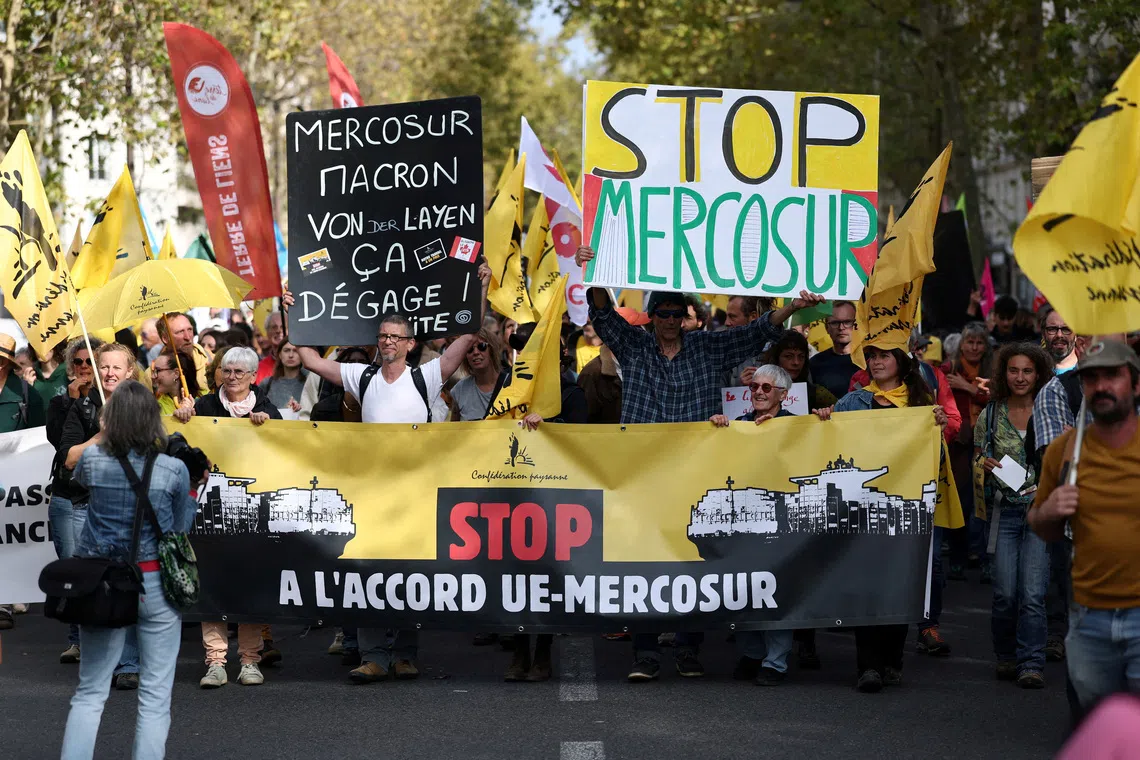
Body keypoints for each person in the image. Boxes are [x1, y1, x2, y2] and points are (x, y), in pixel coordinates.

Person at [575, 244, 823, 682]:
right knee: (645, 563)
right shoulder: (633, 345)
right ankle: (646, 653)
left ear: (687, 317)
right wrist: (595, 270)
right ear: (652, 316)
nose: (670, 320)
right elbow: (604, 315)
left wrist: (794, 308)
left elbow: (756, 332)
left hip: (696, 473)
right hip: (643, 472)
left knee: (694, 560)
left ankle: (689, 649)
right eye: (663, 312)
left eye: (677, 313)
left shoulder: (708, 348)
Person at [285, 262, 492, 684]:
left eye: (395, 337)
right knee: (369, 572)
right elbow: (307, 357)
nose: (387, 343)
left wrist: (480, 289)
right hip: (372, 493)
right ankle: (375, 655)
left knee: (408, 573)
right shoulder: (361, 376)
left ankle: (404, 653)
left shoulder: (427, 376)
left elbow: (468, 336)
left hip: (413, 493)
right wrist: (291, 309)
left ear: (411, 343)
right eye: (382, 336)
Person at [59, 380, 198, 760]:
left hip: (103, 580)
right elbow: (180, 529)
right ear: (154, 420)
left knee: (89, 691)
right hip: (154, 581)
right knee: (155, 694)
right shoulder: (173, 469)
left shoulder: (93, 460)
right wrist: (193, 488)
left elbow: (81, 480)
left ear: (112, 419)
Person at [816, 345, 949, 692]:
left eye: (883, 356)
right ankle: (868, 667)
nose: (875, 362)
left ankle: (893, 660)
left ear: (901, 363)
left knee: (899, 584)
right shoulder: (853, 402)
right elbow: (828, 446)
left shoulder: (921, 406)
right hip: (861, 513)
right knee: (867, 586)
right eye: (871, 356)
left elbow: (935, 464)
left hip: (904, 512)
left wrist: (938, 428)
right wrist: (825, 419)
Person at [1029, 340, 1140, 711]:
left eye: (1113, 376)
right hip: (1088, 617)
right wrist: (1051, 512)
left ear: (1136, 385)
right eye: (1091, 378)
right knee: (1095, 728)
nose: (1101, 386)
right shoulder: (1065, 451)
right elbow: (1041, 527)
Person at [173, 347, 281, 688]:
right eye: (226, 371)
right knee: (213, 586)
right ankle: (215, 662)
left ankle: (250, 660)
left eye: (238, 372)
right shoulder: (204, 407)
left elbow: (284, 453)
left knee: (247, 586)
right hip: (207, 514)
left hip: (252, 516)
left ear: (253, 377)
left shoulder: (268, 409)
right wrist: (183, 415)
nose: (231, 377)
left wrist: (269, 429)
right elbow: (180, 443)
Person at [503, 331, 589, 682]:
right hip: (514, 493)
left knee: (547, 573)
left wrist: (550, 426)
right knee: (515, 573)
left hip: (555, 496)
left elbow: (582, 438)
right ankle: (520, 650)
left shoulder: (572, 393)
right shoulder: (510, 390)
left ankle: (543, 654)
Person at [59, 342, 143, 688]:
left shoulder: (142, 407)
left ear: (130, 373)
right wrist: (103, 434)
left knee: (126, 586)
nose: (109, 373)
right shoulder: (82, 408)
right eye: (103, 366)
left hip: (128, 511)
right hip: (87, 509)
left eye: (116, 367)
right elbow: (69, 458)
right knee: (94, 590)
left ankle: (129, 663)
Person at [709, 365, 798, 685]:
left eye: (767, 388)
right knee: (743, 590)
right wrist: (718, 428)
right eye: (755, 386)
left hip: (781, 526)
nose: (759, 392)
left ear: (783, 395)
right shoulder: (738, 425)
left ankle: (775, 662)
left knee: (777, 592)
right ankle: (751, 653)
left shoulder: (798, 427)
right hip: (742, 524)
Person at [975, 342, 1054, 688]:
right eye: (1013, 370)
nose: (1020, 377)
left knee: (1033, 594)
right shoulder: (991, 413)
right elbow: (977, 455)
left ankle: (1031, 662)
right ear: (1003, 373)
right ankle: (1006, 655)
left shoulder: (1052, 411)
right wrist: (985, 464)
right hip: (1004, 512)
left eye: (1027, 371)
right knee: (1006, 592)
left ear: (1039, 375)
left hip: (1042, 513)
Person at [44, 337, 105, 660]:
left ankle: (98, 635)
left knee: (100, 567)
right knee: (71, 565)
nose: (83, 368)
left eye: (89, 362)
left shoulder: (108, 402)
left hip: (100, 495)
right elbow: (58, 442)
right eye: (78, 362)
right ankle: (77, 638)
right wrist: (71, 402)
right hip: (68, 494)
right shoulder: (59, 402)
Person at [944, 321, 993, 581]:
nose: (974, 347)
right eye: (969, 342)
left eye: (979, 342)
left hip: (987, 444)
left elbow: (998, 397)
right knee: (960, 502)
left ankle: (984, 557)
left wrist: (970, 388)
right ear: (961, 344)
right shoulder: (949, 368)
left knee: (985, 504)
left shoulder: (993, 370)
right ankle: (957, 558)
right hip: (960, 446)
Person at [770, 331, 837, 411]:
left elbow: (845, 411)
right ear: (776, 359)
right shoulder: (757, 389)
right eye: (789, 356)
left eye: (801, 357)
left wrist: (826, 413)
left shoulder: (817, 393)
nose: (796, 362)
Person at [450, 328, 507, 421]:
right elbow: (455, 431)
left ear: (491, 350)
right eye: (470, 349)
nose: (476, 352)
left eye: (482, 346)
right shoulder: (459, 391)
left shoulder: (511, 384)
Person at [147, 313, 210, 392]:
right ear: (165, 338)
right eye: (180, 332)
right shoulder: (152, 375)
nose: (187, 337)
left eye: (190, 329)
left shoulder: (211, 361)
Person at [808, 301, 858, 399]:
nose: (841, 328)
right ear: (827, 327)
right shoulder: (814, 363)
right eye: (835, 323)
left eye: (847, 322)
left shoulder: (871, 360)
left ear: (856, 325)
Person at [722, 295, 772, 387]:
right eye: (727, 317)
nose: (726, 323)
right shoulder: (724, 354)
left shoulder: (779, 350)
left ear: (753, 317)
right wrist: (740, 387)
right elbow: (718, 398)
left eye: (732, 317)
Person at [258, 341, 307, 415]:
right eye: (286, 350)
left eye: (295, 351)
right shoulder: (267, 383)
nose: (291, 355)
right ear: (280, 354)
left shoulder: (309, 383)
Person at [151, 350, 201, 416]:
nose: (153, 376)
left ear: (176, 374)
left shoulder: (204, 400)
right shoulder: (156, 407)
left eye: (158, 370)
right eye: (153, 371)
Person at [1041, 306, 1079, 374]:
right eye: (1052, 329)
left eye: (1066, 329)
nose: (1059, 335)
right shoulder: (1033, 369)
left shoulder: (1088, 369)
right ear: (1043, 334)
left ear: (1076, 334)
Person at [254, 311, 285, 384]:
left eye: (283, 327)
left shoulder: (302, 365)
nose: (278, 330)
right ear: (267, 332)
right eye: (274, 327)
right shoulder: (259, 368)